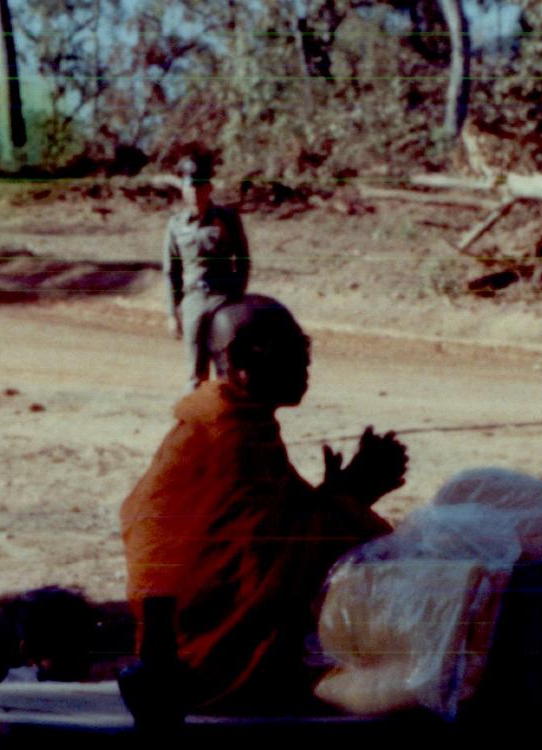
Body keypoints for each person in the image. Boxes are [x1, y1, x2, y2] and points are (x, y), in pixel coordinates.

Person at [120, 295, 401, 709]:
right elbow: (268, 569)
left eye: (306, 348)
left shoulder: (241, 425)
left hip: (199, 656)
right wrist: (351, 496)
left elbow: (280, 534)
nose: (306, 363)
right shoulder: (227, 437)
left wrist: (341, 495)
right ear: (240, 359)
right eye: (293, 349)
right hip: (209, 665)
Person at [163, 147, 252, 383]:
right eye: (190, 187)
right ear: (183, 189)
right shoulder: (176, 225)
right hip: (193, 301)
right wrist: (172, 313)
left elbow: (243, 260)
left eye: (199, 186)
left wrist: (238, 296)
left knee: (228, 371)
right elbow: (171, 272)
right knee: (195, 374)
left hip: (224, 300)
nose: (194, 192)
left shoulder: (227, 218)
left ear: (209, 188)